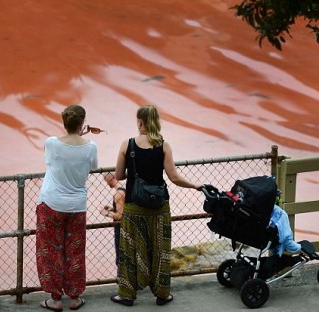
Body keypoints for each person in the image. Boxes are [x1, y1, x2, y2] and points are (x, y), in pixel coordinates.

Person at [110, 104, 204, 307]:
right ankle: (162, 294)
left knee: (129, 249)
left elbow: (118, 175)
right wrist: (195, 185)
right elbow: (174, 177)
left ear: (140, 122)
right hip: (159, 207)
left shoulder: (128, 144)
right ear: (156, 121)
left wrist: (134, 172)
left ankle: (127, 295)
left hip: (134, 206)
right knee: (161, 250)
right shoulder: (163, 145)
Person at [36, 104, 98, 311]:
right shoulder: (91, 146)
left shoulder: (51, 143)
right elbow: (93, 167)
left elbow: (49, 161)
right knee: (75, 251)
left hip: (51, 203)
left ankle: (55, 299)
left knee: (50, 250)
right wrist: (82, 136)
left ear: (64, 122)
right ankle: (74, 297)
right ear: (83, 123)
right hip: (77, 205)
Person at [99, 172, 126, 265]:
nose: (106, 183)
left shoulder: (118, 194)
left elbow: (120, 215)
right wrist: (112, 209)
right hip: (128, 227)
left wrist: (106, 213)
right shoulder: (125, 189)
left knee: (120, 259)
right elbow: (124, 209)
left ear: (110, 179)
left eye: (106, 181)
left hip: (121, 229)